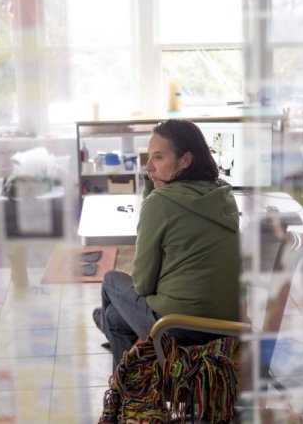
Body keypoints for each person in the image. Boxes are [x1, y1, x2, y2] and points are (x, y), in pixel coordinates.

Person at [93, 119, 242, 369]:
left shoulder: (160, 204)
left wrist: (153, 193)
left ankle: (131, 389)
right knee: (115, 317)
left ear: (185, 160)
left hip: (178, 327)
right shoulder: (223, 194)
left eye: (158, 158)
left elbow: (141, 284)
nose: (148, 166)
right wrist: (156, 182)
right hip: (227, 323)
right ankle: (114, 331)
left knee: (111, 281)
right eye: (149, 157)